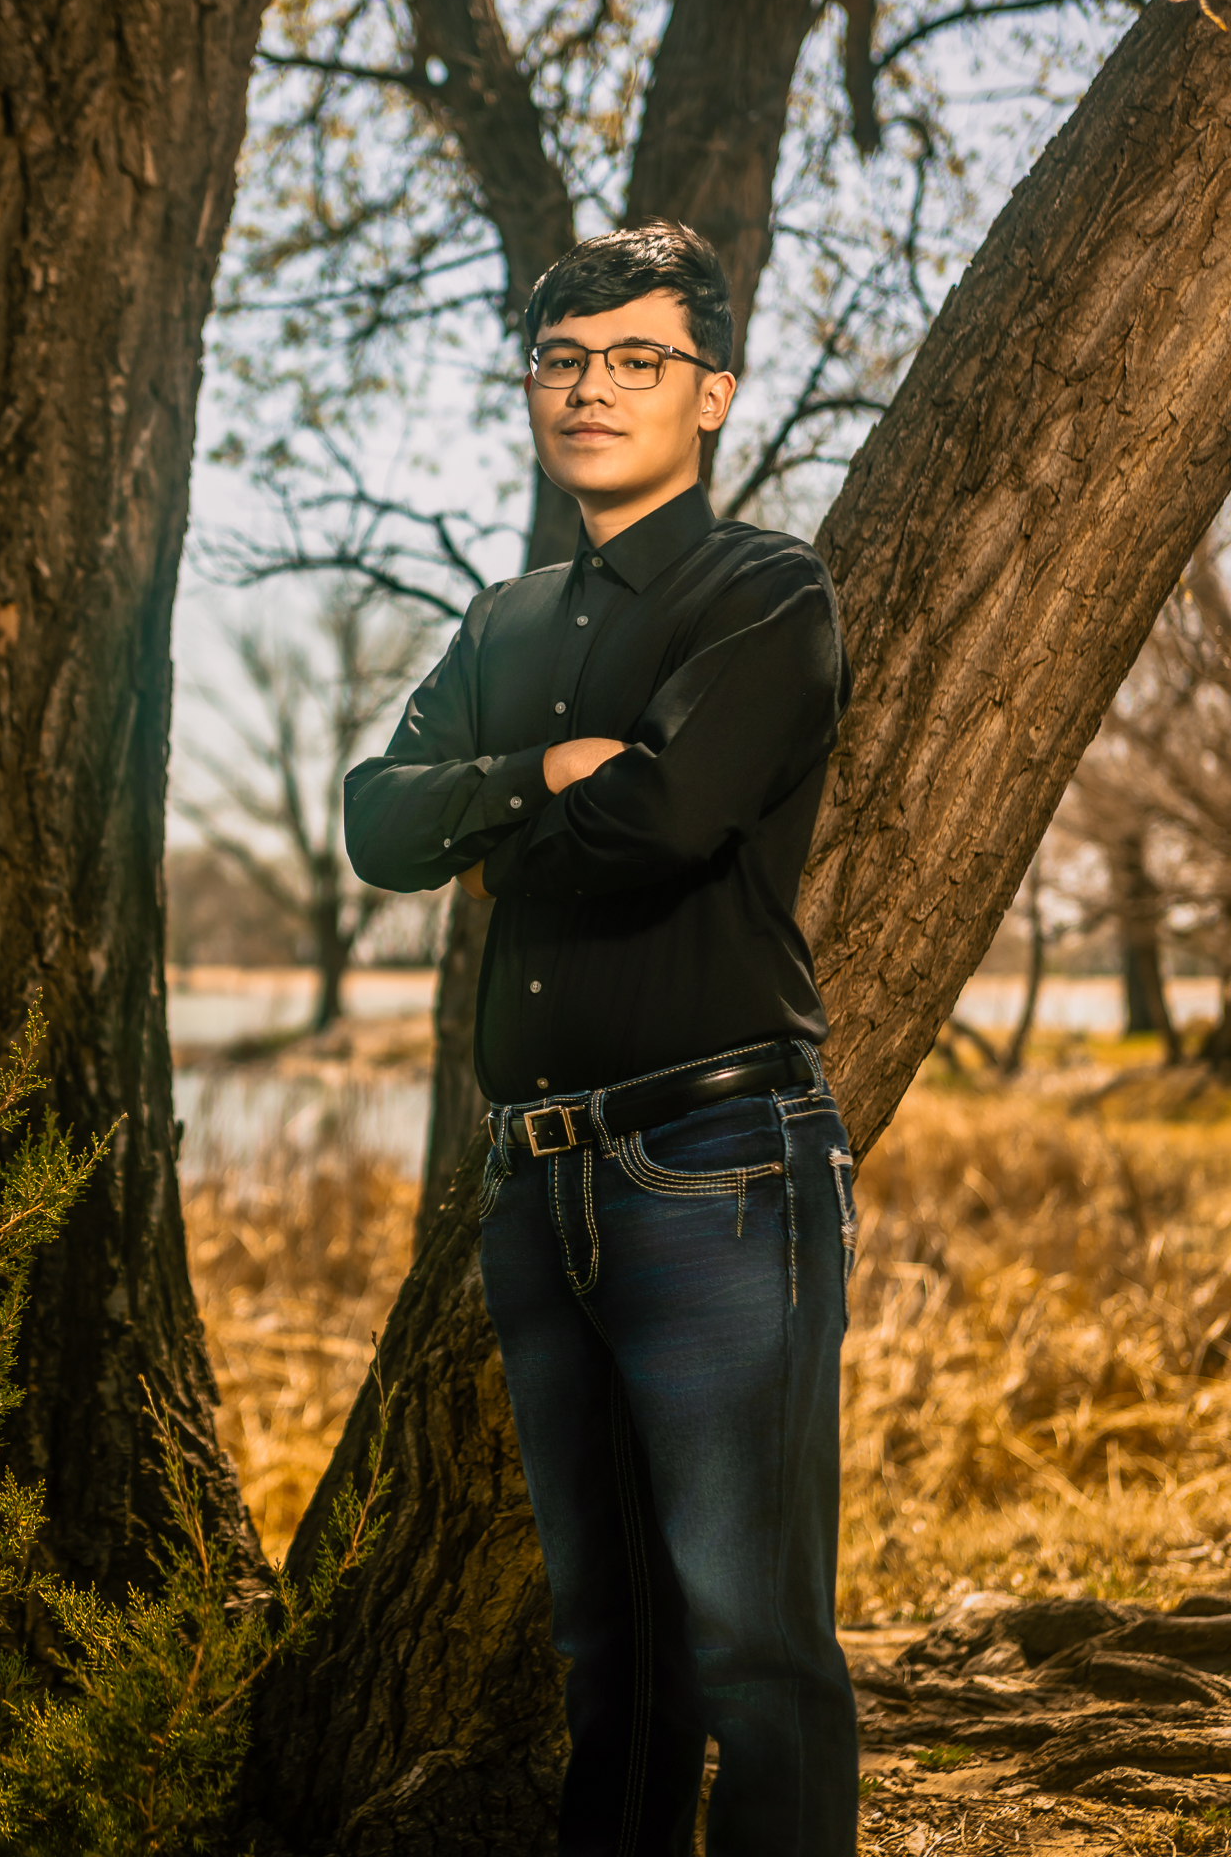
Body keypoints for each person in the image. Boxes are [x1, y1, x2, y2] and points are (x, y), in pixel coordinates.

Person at [343, 219, 858, 1857]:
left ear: (711, 394)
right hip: (536, 1182)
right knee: (609, 1648)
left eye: (636, 360)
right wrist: (538, 774)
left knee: (752, 1644)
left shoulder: (769, 590)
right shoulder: (504, 623)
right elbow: (373, 821)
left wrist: (527, 805)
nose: (590, 389)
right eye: (562, 360)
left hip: (713, 1164)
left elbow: (666, 817)